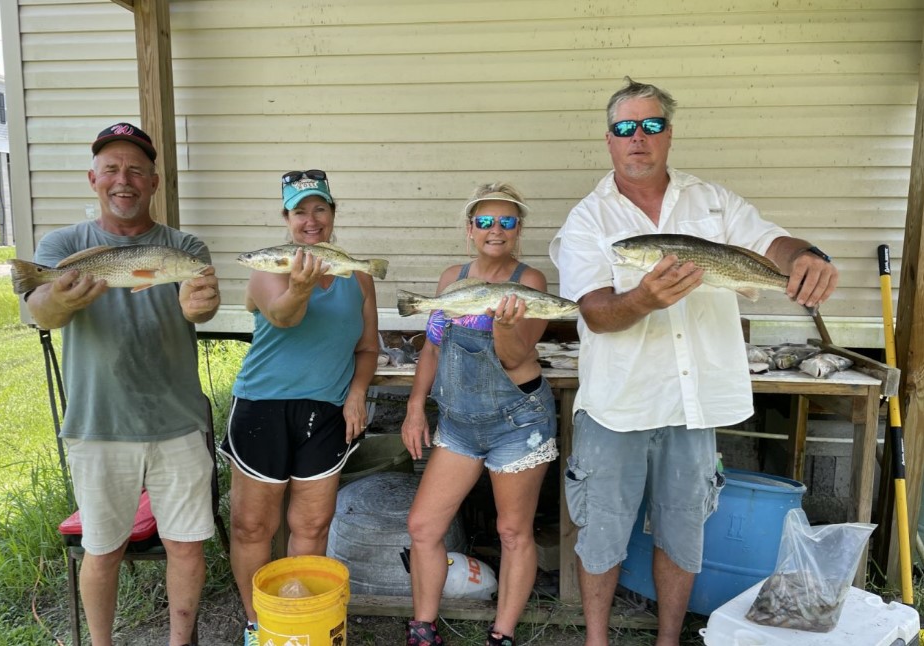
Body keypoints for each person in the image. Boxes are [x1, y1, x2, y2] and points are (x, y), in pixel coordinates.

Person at [549, 77, 839, 646]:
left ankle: (668, 640)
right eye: (625, 128)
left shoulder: (714, 201)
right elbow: (595, 313)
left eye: (651, 125)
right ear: (608, 140)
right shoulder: (587, 220)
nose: (639, 138)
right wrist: (642, 299)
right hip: (617, 406)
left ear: (669, 135)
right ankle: (596, 641)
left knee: (683, 534)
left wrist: (804, 256)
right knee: (602, 535)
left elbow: (768, 243)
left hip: (695, 403)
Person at [24, 122, 221, 646]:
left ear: (154, 182)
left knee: (185, 545)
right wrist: (59, 299)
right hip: (97, 422)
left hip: (177, 420)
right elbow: (39, 311)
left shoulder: (183, 245)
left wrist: (199, 304)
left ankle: (182, 642)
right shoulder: (66, 244)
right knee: (103, 548)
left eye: (136, 169)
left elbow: (204, 301)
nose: (123, 179)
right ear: (93, 178)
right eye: (111, 168)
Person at [219, 169, 380, 646]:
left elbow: (368, 347)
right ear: (287, 219)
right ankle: (258, 623)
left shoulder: (358, 274)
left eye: (320, 209)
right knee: (252, 526)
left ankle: (297, 619)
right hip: (262, 407)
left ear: (332, 215)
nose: (311, 220)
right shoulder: (269, 267)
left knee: (310, 524)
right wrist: (303, 283)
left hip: (327, 411)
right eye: (300, 211)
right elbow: (284, 316)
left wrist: (357, 392)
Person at [401, 182, 559, 646]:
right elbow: (433, 346)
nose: (496, 230)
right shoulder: (452, 279)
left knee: (512, 530)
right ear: (470, 229)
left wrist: (505, 324)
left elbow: (515, 356)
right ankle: (423, 629)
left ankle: (501, 634)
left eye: (507, 221)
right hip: (458, 424)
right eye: (485, 221)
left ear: (518, 230)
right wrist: (415, 407)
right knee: (423, 526)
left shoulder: (530, 284)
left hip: (518, 421)